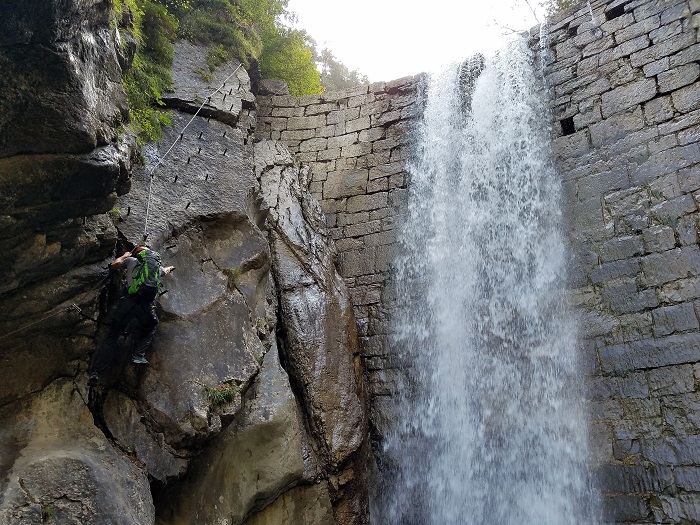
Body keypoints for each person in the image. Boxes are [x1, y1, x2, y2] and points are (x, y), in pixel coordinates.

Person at [88, 246, 174, 385]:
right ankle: (138, 355)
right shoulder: (155, 269)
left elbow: (114, 265)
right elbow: (165, 271)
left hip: (127, 303)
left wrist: (124, 256)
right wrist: (171, 267)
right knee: (151, 325)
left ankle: (96, 373)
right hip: (144, 307)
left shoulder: (131, 260)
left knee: (112, 337)